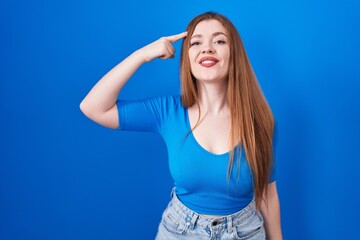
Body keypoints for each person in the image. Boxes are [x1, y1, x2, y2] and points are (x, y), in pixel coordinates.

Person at [80, 11, 282, 240]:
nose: (207, 48)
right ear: (187, 58)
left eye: (219, 40)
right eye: (196, 42)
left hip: (245, 232)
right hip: (179, 232)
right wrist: (141, 55)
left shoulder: (261, 121)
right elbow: (93, 107)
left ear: (234, 54)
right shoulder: (168, 112)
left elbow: (267, 194)